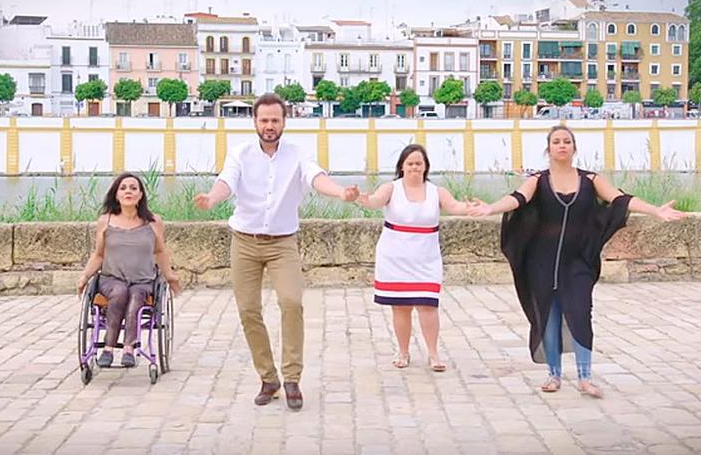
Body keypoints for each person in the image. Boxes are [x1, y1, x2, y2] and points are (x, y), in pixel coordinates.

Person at [468, 125, 685, 398]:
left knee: (581, 312)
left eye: (567, 141)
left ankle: (585, 377)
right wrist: (490, 208)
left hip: (578, 262)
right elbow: (517, 199)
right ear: (549, 148)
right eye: (557, 141)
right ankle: (554, 375)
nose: (562, 145)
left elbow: (621, 199)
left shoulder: (590, 179)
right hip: (541, 262)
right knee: (549, 316)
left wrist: (655, 210)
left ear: (574, 147)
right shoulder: (538, 180)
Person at [193, 93, 359, 410]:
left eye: (275, 120)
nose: (269, 126)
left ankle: (292, 377)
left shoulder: (298, 153)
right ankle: (268, 378)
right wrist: (212, 199)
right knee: (248, 310)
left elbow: (316, 177)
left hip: (283, 243)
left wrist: (341, 192)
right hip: (244, 241)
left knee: (292, 302)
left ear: (284, 121)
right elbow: (226, 181)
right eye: (264, 120)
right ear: (255, 121)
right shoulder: (240, 153)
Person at [357, 144, 475, 371]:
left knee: (427, 305)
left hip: (426, 257)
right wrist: (361, 198)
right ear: (402, 166)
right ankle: (403, 351)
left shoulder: (436, 191)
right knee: (401, 307)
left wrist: (470, 207)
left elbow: (454, 206)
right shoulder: (391, 188)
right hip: (395, 256)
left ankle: (433, 354)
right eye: (410, 163)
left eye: (418, 163)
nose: (414, 167)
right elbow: (374, 201)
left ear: (425, 167)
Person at [77, 173, 182, 368]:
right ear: (116, 195)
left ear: (140, 195)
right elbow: (99, 255)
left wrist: (171, 277)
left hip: (143, 281)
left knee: (136, 296)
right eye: (123, 188)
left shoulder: (154, 222)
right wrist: (84, 277)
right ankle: (108, 348)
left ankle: (129, 348)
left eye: (133, 188)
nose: (128, 191)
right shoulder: (105, 221)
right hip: (111, 279)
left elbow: (160, 252)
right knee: (120, 292)